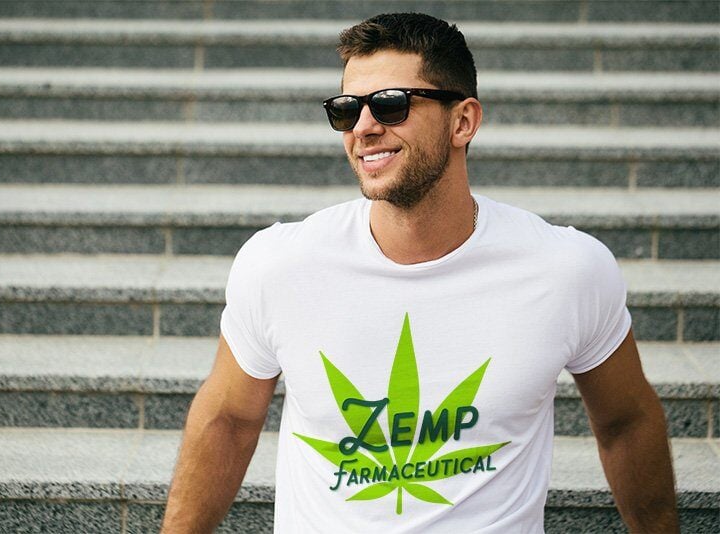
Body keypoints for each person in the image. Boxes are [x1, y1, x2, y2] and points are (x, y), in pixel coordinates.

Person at [161, 12, 678, 533]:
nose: (364, 127)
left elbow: (627, 421)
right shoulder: (280, 264)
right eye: (346, 110)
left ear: (463, 121)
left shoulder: (567, 269)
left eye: (391, 103)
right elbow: (227, 421)